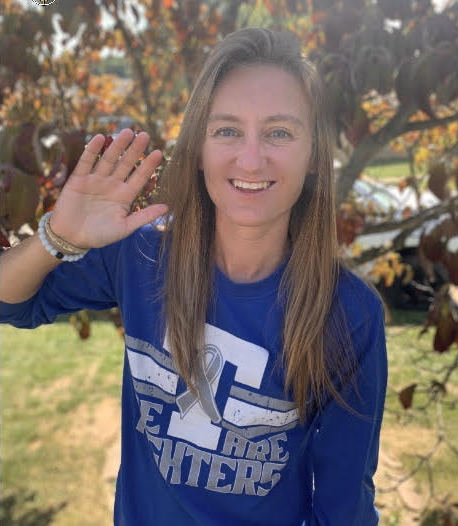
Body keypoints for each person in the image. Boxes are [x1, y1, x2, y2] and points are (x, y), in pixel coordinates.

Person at [0, 27, 387, 525]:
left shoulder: (349, 313)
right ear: (199, 146)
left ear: (313, 154)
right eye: (227, 130)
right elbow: (13, 303)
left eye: (279, 132)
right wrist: (57, 236)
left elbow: (343, 509)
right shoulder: (139, 253)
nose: (251, 159)